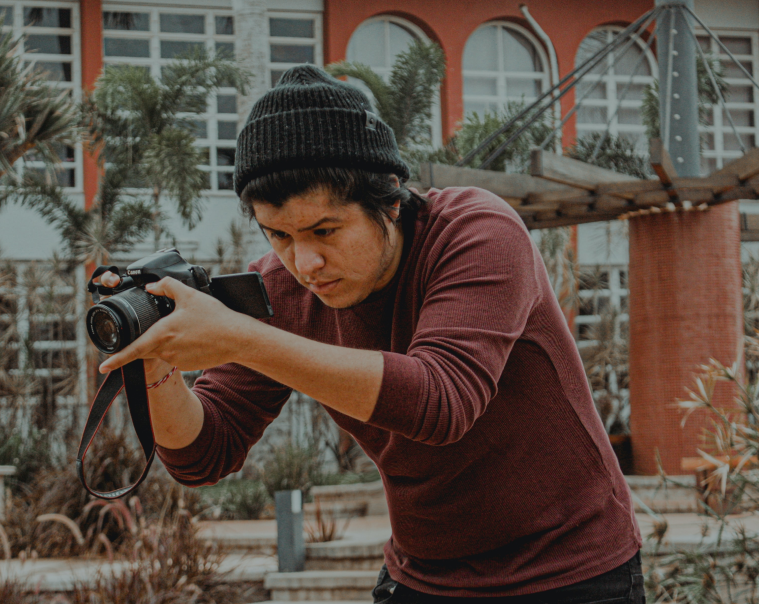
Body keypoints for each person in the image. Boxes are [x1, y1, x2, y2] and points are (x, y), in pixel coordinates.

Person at [97, 64, 644, 602]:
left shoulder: (478, 233)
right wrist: (155, 362)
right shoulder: (279, 287)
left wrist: (241, 338)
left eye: (325, 230)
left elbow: (442, 400)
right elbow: (204, 453)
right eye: (279, 235)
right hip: (425, 575)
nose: (304, 261)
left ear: (390, 199)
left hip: (572, 571)